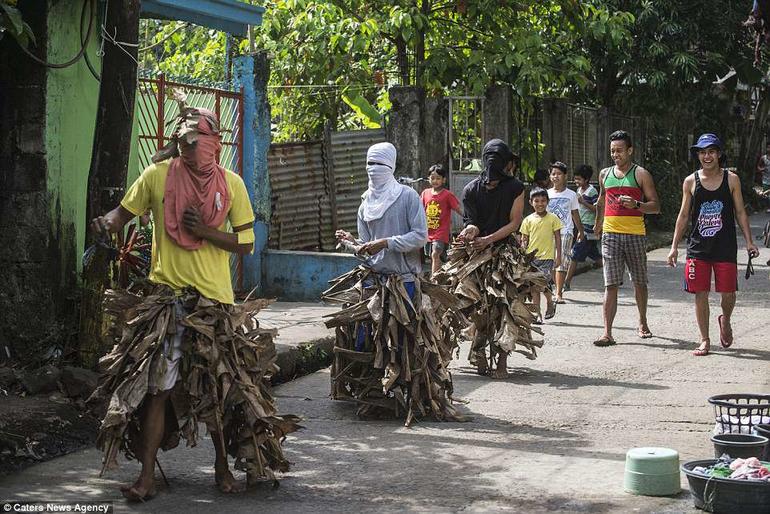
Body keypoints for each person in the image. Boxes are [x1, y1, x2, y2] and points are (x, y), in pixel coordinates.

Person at [88, 107, 299, 501]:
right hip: (167, 303)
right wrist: (106, 223)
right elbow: (123, 213)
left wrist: (203, 231)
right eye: (184, 143)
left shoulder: (231, 184)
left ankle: (222, 468)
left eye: (196, 142)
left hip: (213, 304)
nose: (189, 150)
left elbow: (247, 243)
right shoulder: (157, 176)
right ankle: (146, 478)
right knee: (158, 390)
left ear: (213, 144)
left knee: (218, 392)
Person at [330, 142, 463, 424]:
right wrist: (352, 244)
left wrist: (387, 242)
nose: (373, 170)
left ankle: (411, 397)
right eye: (369, 164)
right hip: (373, 283)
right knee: (368, 340)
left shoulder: (407, 197)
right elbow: (366, 248)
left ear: (390, 166)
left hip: (404, 284)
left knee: (406, 343)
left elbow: (420, 236)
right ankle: (374, 395)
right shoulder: (365, 202)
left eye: (378, 165)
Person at [667, 133, 759, 356]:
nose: (706, 156)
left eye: (711, 152)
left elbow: (740, 212)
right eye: (702, 152)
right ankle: (705, 339)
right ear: (698, 155)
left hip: (725, 247)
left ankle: (725, 319)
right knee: (701, 293)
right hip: (698, 247)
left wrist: (749, 241)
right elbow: (683, 215)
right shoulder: (690, 181)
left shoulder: (731, 179)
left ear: (718, 154)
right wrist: (674, 246)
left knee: (728, 294)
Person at [456, 139, 526, 378]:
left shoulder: (515, 187)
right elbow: (471, 221)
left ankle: (502, 362)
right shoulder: (471, 190)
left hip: (506, 256)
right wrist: (471, 231)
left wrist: (489, 239)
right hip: (476, 255)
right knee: (477, 308)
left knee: (506, 309)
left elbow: (514, 223)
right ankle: (479, 353)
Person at [594, 130, 660, 347]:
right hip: (610, 234)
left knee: (639, 282)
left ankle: (642, 321)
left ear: (630, 150)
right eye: (612, 151)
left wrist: (637, 205)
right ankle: (607, 332)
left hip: (635, 235)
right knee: (610, 283)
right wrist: (598, 223)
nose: (616, 155)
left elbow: (655, 206)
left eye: (620, 150)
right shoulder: (605, 174)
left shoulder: (641, 174)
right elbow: (602, 200)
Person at [520, 188, 563, 323]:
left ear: (547, 202)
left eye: (543, 201)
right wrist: (522, 255)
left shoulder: (553, 218)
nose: (540, 204)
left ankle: (550, 302)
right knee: (534, 288)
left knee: (543, 285)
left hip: (547, 258)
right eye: (536, 201)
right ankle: (538, 314)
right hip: (532, 259)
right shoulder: (527, 220)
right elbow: (524, 239)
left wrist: (558, 255)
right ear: (531, 202)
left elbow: (558, 238)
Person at [547, 161, 584, 303]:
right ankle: (551, 289)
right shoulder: (546, 194)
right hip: (548, 232)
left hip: (566, 231)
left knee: (561, 261)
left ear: (565, 176)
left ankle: (559, 293)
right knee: (549, 261)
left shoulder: (572, 195)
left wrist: (580, 231)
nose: (555, 177)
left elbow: (575, 214)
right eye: (553, 174)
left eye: (559, 174)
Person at [565, 164, 602, 290]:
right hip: (580, 226)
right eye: (575, 179)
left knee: (574, 255)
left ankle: (566, 282)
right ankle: (615, 277)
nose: (576, 181)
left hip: (588, 227)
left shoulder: (592, 191)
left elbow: (597, 209)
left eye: (579, 179)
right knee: (595, 256)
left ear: (586, 179)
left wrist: (583, 202)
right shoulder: (578, 191)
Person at [420, 164, 462, 275]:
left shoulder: (447, 195)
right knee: (432, 256)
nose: (435, 181)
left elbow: (458, 209)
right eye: (432, 178)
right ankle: (440, 273)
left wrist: (469, 219)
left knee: (435, 254)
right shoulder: (425, 193)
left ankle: (435, 281)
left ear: (444, 180)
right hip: (428, 231)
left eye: (438, 178)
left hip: (441, 232)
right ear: (429, 179)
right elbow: (419, 210)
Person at [755, 142, 770, 212]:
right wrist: (761, 169)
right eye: (768, 147)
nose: (769, 149)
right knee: (766, 194)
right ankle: (768, 207)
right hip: (765, 179)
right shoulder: (763, 158)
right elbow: (758, 166)